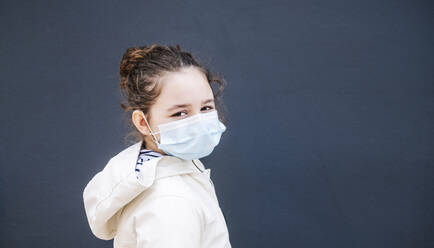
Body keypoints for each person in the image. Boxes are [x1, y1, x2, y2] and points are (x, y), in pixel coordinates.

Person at [82, 44, 232, 248]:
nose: (199, 122)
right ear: (143, 122)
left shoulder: (158, 169)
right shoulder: (171, 201)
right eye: (180, 113)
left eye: (206, 107)